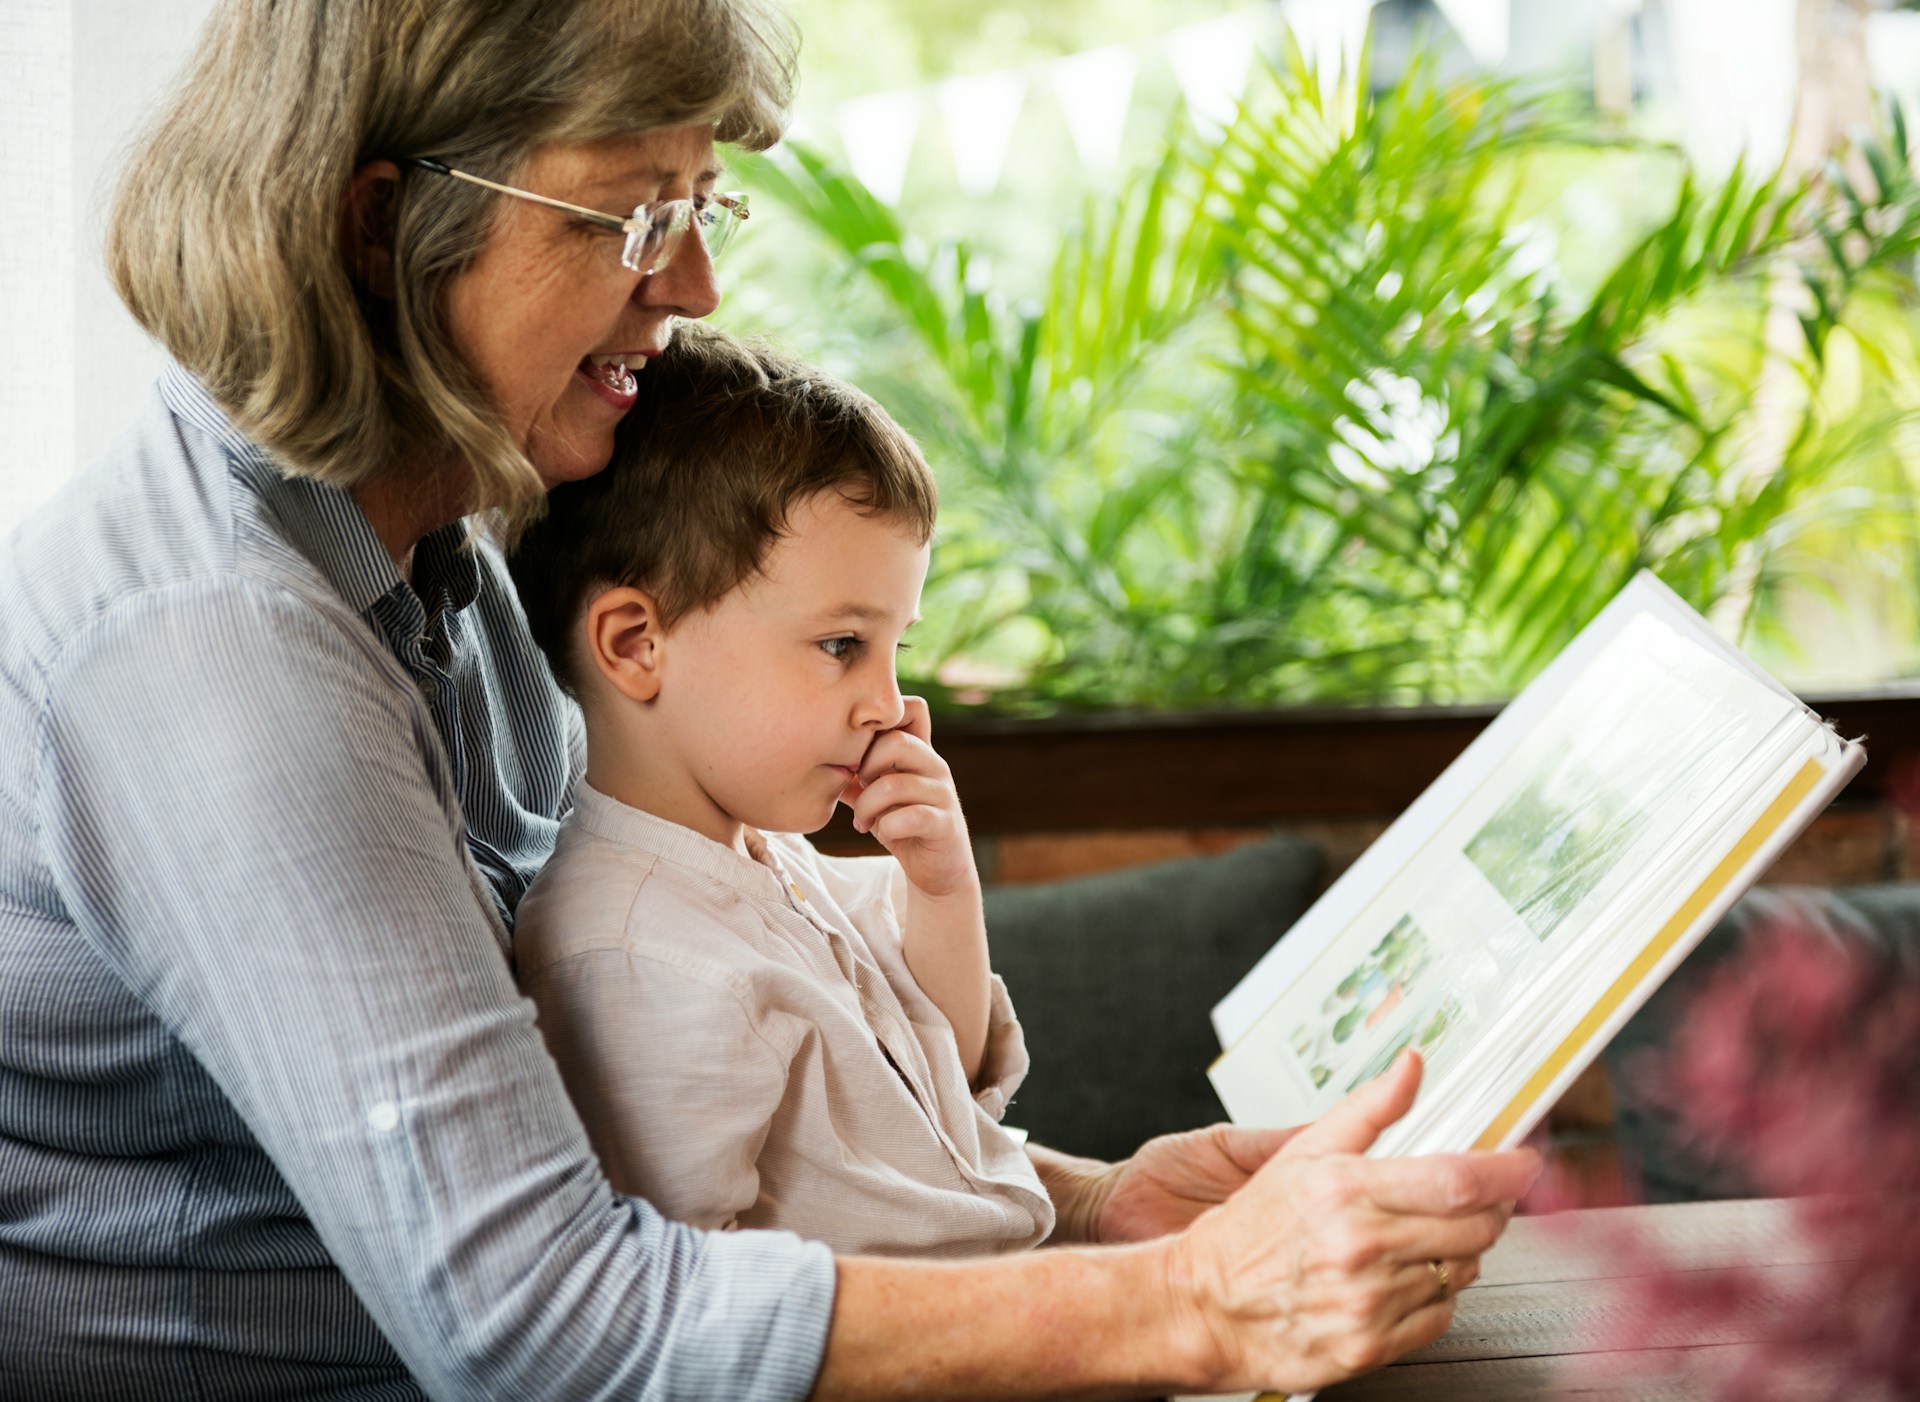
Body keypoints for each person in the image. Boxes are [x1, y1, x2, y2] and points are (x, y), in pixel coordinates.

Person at [0, 2, 1540, 1398]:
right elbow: (547, 1324)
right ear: (381, 224)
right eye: (629, 213)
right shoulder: (219, 654)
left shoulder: (440, 553)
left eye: (698, 204)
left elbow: (624, 1161)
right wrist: (1186, 1301)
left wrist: (1090, 1203)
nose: (694, 281)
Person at [507, 330, 1051, 1256]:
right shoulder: (635, 956)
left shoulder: (768, 859)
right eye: (842, 645)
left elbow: (947, 1079)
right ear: (637, 645)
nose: (888, 704)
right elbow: (684, 1312)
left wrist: (942, 890)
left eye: (895, 648)